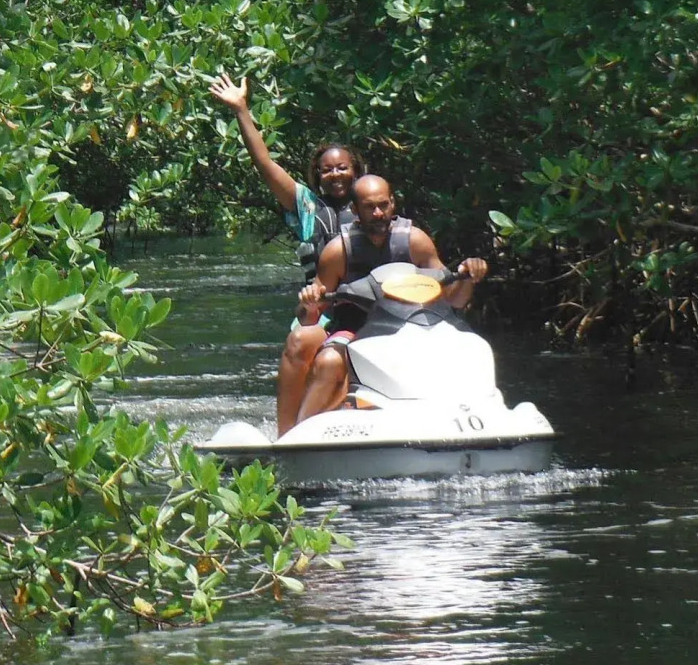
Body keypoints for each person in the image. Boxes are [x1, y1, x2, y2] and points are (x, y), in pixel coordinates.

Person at [207, 71, 366, 434]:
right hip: (320, 310)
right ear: (317, 176)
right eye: (327, 170)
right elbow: (265, 165)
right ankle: (287, 434)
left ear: (357, 172)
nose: (336, 175)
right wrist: (241, 110)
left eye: (343, 168)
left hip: (371, 309)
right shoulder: (306, 207)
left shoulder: (374, 208)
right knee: (301, 342)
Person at [293, 175, 488, 426]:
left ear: (393, 204)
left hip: (415, 329)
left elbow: (453, 300)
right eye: (369, 207)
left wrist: (466, 277)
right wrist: (309, 303)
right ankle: (303, 431)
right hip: (355, 332)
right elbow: (311, 316)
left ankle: (468, 416)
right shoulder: (338, 251)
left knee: (468, 347)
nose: (378, 213)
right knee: (329, 361)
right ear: (355, 210)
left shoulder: (415, 241)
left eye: (383, 205)